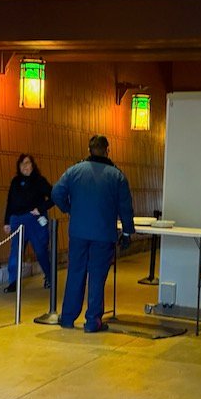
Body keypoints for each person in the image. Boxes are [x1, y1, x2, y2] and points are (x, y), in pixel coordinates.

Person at [51, 135, 136, 333]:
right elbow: (125, 207)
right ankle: (92, 322)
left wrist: (70, 208)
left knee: (75, 273)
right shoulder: (117, 176)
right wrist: (127, 233)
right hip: (103, 234)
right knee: (97, 277)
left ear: (89, 150)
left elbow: (56, 193)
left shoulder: (74, 171)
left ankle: (68, 318)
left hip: (78, 232)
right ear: (107, 150)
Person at [2, 153, 54, 292]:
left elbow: (53, 196)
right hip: (17, 219)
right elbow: (10, 202)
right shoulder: (15, 182)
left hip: (35, 219)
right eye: (22, 164)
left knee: (41, 250)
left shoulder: (39, 180)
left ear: (33, 165)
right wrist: (7, 221)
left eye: (28, 163)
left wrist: (41, 208)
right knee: (16, 252)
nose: (25, 166)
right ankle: (13, 282)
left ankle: (49, 277)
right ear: (19, 166)